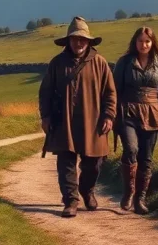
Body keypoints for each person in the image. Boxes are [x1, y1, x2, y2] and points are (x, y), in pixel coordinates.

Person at [39, 16, 117, 218]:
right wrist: (45, 116)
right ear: (68, 41)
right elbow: (45, 92)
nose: (79, 43)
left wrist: (109, 116)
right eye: (75, 39)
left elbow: (110, 93)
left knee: (95, 162)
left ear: (88, 41)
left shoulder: (100, 63)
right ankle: (71, 201)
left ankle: (87, 190)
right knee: (66, 163)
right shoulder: (57, 64)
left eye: (82, 39)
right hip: (64, 121)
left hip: (94, 121)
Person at [113, 26, 158, 215]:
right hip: (127, 112)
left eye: (147, 41)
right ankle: (128, 192)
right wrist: (111, 114)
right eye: (140, 41)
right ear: (135, 42)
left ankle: (140, 199)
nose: (144, 44)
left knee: (146, 157)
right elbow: (114, 90)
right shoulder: (124, 63)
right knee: (131, 149)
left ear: (152, 43)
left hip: (152, 113)